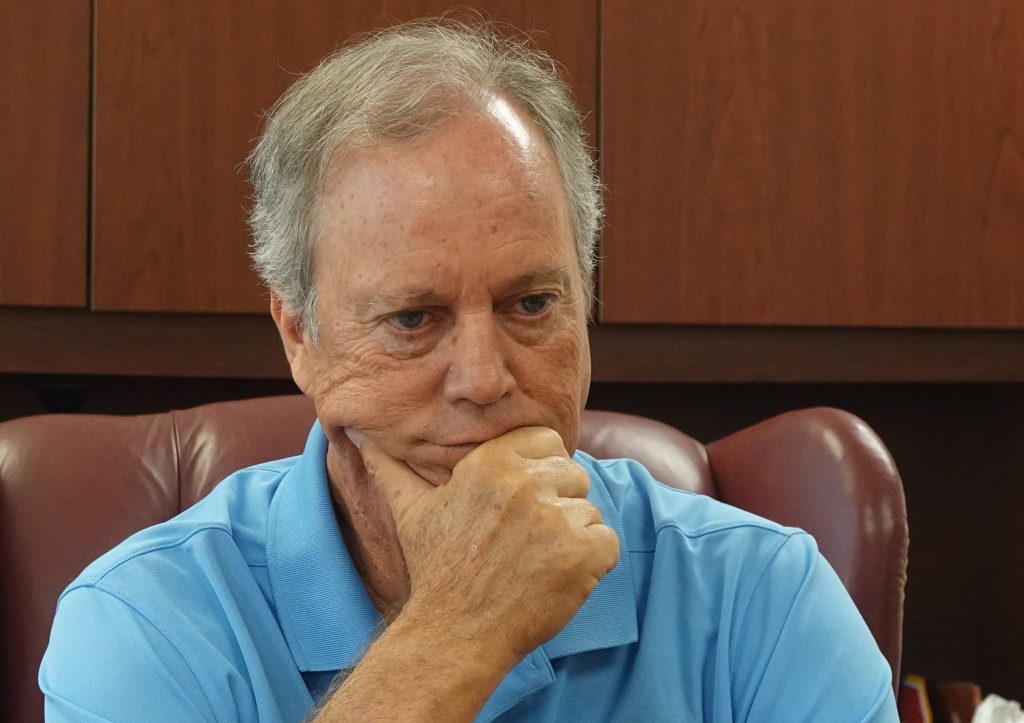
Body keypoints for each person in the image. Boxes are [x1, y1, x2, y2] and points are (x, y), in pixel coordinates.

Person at [40, 19, 898, 722]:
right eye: (414, 319)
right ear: (299, 334)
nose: (484, 379)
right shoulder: (144, 623)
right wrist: (457, 631)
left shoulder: (761, 597)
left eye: (531, 303)